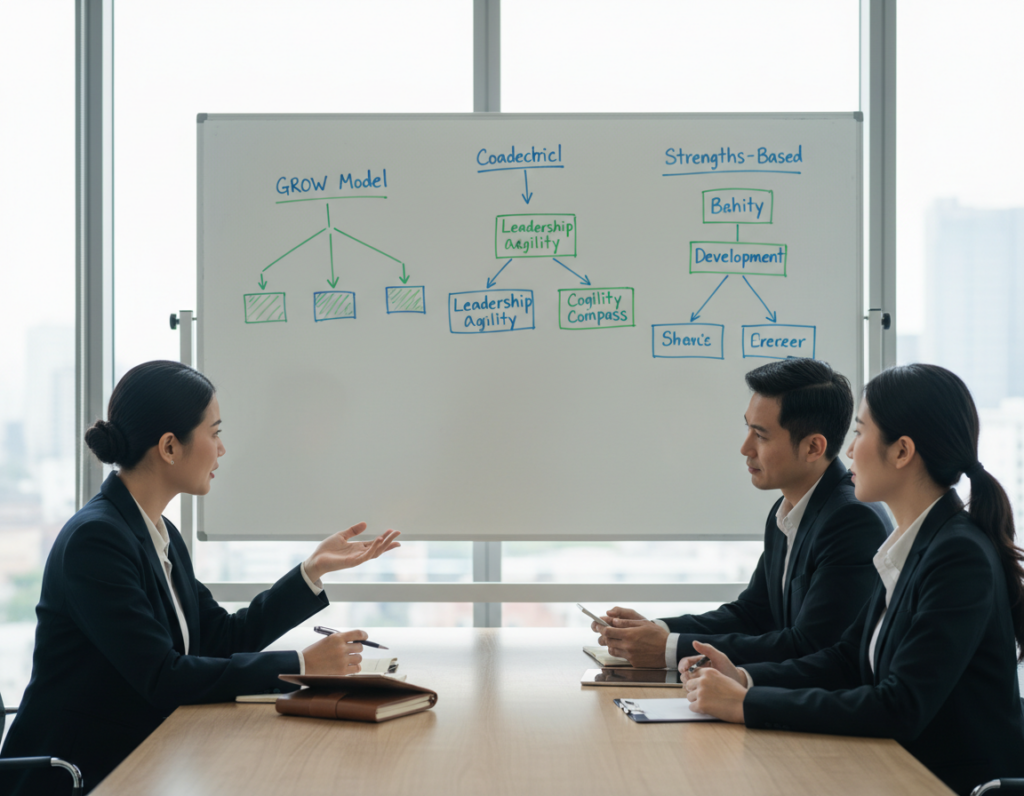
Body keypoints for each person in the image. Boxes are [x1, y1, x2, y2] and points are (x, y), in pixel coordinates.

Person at [0, 361, 401, 795]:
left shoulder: (158, 531)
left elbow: (219, 637)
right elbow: (163, 677)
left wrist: (311, 572)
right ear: (170, 447)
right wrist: (302, 666)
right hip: (79, 774)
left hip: (148, 757)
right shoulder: (95, 541)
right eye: (214, 433)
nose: (222, 450)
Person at [682, 364, 1024, 796]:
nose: (849, 452)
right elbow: (847, 659)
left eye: (860, 433)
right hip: (893, 768)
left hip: (941, 782)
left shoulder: (958, 555)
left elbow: (899, 706)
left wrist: (747, 705)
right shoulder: (915, 542)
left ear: (901, 452)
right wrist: (745, 679)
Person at [592, 358, 891, 669]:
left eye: (760, 435)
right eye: (748, 428)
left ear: (813, 447)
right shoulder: (786, 511)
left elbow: (811, 646)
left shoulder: (852, 521)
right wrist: (659, 630)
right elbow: (752, 614)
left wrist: (668, 649)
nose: (745, 447)